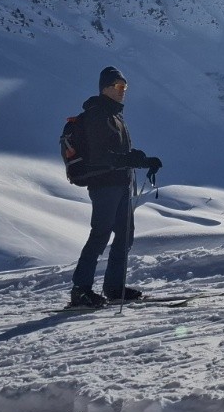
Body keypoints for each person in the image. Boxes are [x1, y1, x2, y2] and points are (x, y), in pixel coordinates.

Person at [69, 65, 162, 309]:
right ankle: (81, 290)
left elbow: (118, 155)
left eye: (125, 87)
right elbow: (102, 157)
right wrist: (133, 160)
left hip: (120, 184)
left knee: (124, 235)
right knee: (100, 234)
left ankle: (113, 287)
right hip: (104, 185)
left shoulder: (114, 116)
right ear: (106, 88)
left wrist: (143, 161)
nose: (123, 91)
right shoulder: (98, 115)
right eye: (119, 86)